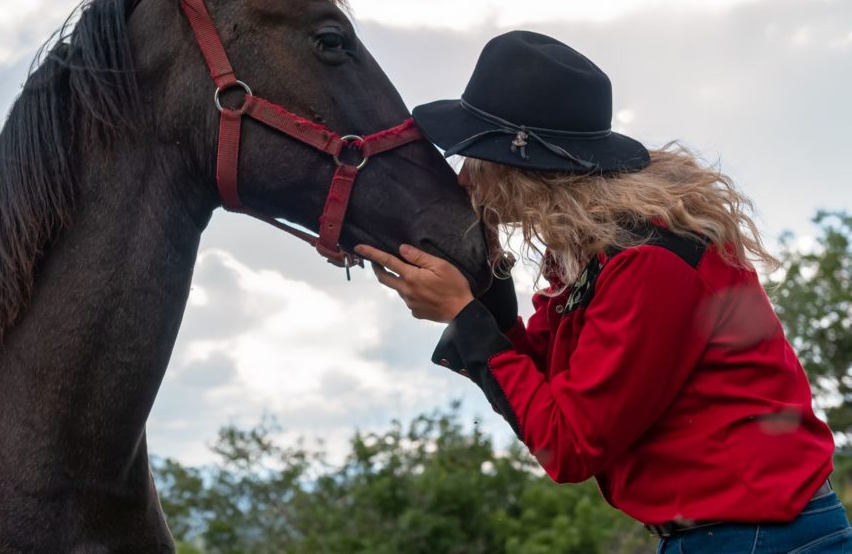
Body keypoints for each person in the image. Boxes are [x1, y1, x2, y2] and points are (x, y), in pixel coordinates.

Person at [355, 31, 851, 552]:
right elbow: (547, 384)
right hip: (735, 533)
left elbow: (568, 444)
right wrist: (486, 299)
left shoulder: (648, 261)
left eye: (475, 159)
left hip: (757, 538)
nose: (463, 181)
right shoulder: (600, 251)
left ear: (521, 170)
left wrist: (465, 317)